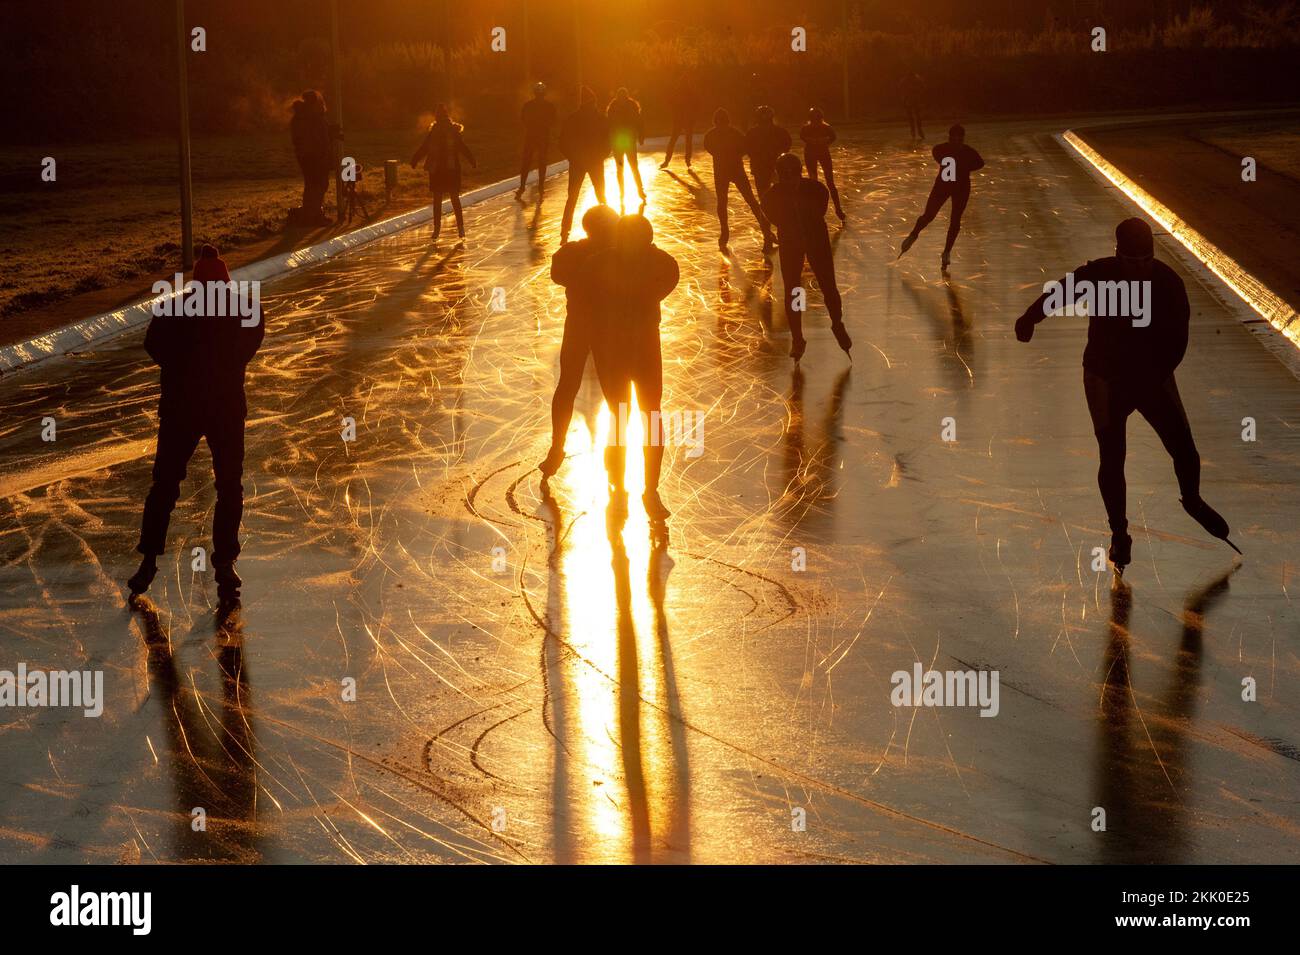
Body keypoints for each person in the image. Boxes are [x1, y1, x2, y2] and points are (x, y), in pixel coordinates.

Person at [1013, 217, 1236, 572]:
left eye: (1146, 261)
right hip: (1104, 376)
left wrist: (1153, 378)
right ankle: (1119, 533)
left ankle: (1192, 499)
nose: (1140, 270)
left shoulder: (1167, 283)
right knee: (1112, 454)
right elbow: (1062, 291)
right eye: (1132, 263)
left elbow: (1178, 342)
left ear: (1153, 255)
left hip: (1152, 375)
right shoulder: (1099, 274)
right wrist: (1029, 317)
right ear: (1118, 256)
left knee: (1184, 446)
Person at [128, 245, 265, 604]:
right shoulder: (244, 306)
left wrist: (181, 370)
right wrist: (228, 367)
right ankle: (225, 563)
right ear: (225, 277)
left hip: (180, 408)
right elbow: (252, 341)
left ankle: (148, 560)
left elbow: (153, 346)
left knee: (165, 485)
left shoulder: (173, 307)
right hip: (226, 409)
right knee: (229, 486)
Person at [590, 214, 680, 524]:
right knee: (623, 414)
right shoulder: (605, 262)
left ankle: (648, 487)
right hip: (620, 348)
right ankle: (619, 482)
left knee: (649, 415)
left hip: (638, 348)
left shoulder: (658, 263)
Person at [539, 204, 622, 478]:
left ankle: (557, 447)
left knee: (568, 386)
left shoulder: (573, 252)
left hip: (578, 326)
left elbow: (557, 274)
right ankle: (615, 450)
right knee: (614, 392)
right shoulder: (618, 255)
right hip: (607, 329)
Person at [762, 152, 852, 361]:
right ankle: (798, 337)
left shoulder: (816, 189)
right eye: (785, 176)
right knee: (795, 290)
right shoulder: (771, 197)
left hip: (816, 240)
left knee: (828, 285)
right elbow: (774, 217)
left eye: (793, 175)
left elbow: (819, 210)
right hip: (791, 244)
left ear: (800, 173)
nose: (789, 180)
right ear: (778, 176)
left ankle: (837, 324)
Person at [899, 123, 983, 269]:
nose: (956, 142)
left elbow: (979, 163)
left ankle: (946, 252)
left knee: (954, 220)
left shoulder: (949, 149)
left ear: (962, 139)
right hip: (948, 187)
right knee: (930, 215)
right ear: (950, 138)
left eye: (959, 139)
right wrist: (963, 167)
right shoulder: (960, 150)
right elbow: (979, 163)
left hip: (955, 188)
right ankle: (914, 235)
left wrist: (960, 166)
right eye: (954, 139)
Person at [703, 107, 775, 253]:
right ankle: (764, 231)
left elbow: (711, 148)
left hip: (725, 171)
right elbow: (745, 148)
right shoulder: (733, 133)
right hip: (734, 170)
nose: (721, 125)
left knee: (731, 202)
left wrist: (722, 155)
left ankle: (727, 232)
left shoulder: (712, 135)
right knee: (748, 201)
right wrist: (735, 155)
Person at [411, 104, 477, 242]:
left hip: (437, 170)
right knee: (454, 198)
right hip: (452, 169)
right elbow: (462, 147)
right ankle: (461, 229)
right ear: (447, 117)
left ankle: (437, 230)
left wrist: (415, 159)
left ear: (437, 117)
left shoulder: (434, 131)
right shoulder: (453, 130)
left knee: (437, 200)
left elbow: (425, 148)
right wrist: (472, 160)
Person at [559, 87, 611, 244]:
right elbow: (608, 141)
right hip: (593, 162)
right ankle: (608, 227)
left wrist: (572, 157)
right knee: (601, 196)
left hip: (578, 162)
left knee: (572, 198)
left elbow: (562, 142)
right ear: (593, 102)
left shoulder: (572, 118)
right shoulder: (600, 118)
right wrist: (601, 156)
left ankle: (564, 231)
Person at [290, 90, 334, 227]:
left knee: (311, 186)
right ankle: (314, 217)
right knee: (319, 185)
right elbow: (319, 137)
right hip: (316, 156)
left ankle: (311, 215)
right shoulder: (314, 117)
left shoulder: (299, 116)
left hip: (305, 156)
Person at [800, 107, 846, 222]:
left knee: (816, 182)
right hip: (821, 153)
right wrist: (824, 141)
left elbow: (803, 137)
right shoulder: (825, 127)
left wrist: (813, 141)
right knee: (827, 182)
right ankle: (837, 209)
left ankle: (817, 209)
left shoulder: (808, 128)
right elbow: (833, 137)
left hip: (812, 153)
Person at [516, 82, 557, 202]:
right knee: (542, 162)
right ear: (544, 93)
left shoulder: (528, 105)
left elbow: (523, 119)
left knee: (526, 162)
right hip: (543, 136)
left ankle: (522, 186)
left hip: (530, 136)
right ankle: (541, 186)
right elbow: (553, 120)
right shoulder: (549, 106)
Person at [606, 87, 647, 206]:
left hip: (624, 141)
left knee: (630, 167)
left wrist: (641, 136)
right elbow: (639, 122)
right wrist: (641, 136)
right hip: (624, 141)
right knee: (626, 167)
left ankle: (637, 190)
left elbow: (639, 121)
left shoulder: (616, 106)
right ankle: (627, 192)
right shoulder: (624, 106)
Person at [745, 105, 792, 197]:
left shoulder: (752, 132)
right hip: (774, 165)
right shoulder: (781, 131)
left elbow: (747, 149)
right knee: (780, 192)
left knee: (763, 193)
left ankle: (767, 210)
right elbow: (787, 146)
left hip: (763, 166)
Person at [660, 75, 697, 170]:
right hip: (685, 120)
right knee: (687, 141)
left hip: (680, 120)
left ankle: (667, 161)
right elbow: (695, 107)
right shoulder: (690, 93)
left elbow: (671, 104)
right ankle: (687, 160)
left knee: (673, 141)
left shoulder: (678, 92)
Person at [901, 72, 925, 139]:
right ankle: (917, 131)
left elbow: (901, 90)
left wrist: (904, 99)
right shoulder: (916, 79)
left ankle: (915, 131)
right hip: (912, 99)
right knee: (916, 115)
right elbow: (922, 88)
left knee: (913, 116)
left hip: (911, 99)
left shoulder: (905, 80)